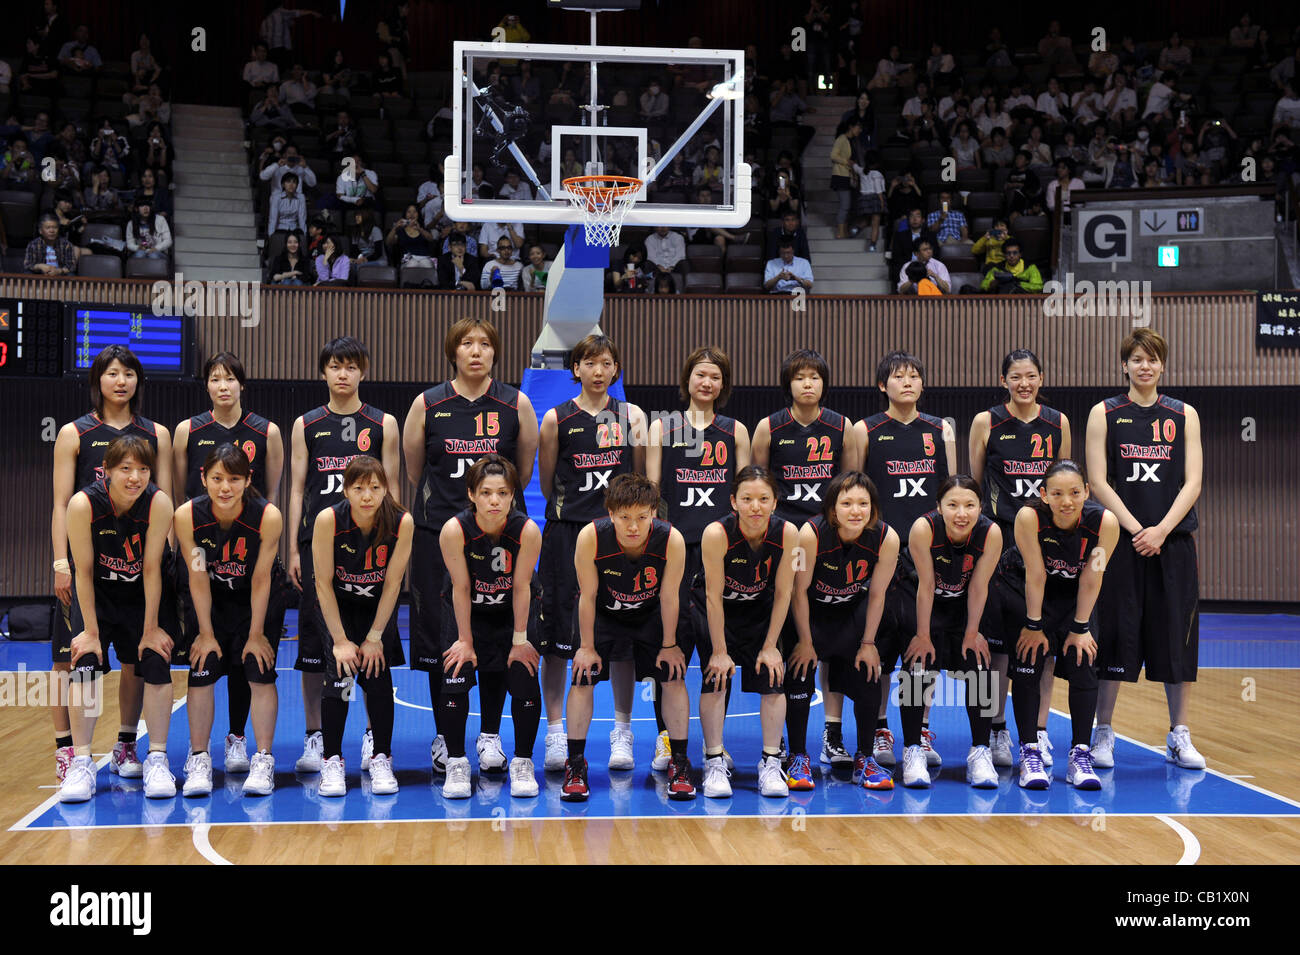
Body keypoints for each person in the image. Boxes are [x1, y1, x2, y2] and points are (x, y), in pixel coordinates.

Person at [402, 318, 538, 776]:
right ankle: (447, 738)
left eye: (484, 344)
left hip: (495, 535)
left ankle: (491, 736)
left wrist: (491, 510)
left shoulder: (516, 403)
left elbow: (518, 469)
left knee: (496, 637)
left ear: (495, 353)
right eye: (466, 344)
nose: (476, 351)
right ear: (453, 352)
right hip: (439, 533)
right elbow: (417, 471)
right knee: (446, 640)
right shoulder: (427, 404)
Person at [50, 347, 172, 785]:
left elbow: (166, 503)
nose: (120, 381)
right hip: (87, 562)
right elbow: (62, 503)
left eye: (129, 374)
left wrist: (167, 563)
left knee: (139, 659)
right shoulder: (74, 432)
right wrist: (60, 560)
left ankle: (126, 743)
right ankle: (70, 751)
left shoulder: (156, 433)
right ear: (97, 379)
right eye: (112, 373)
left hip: (140, 564)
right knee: (73, 656)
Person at [1086, 329, 1204, 771]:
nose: (1145, 366)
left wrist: (1161, 530)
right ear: (1125, 365)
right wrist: (1138, 530)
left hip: (1172, 544)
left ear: (1163, 366)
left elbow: (1192, 481)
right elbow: (1097, 481)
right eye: (1137, 359)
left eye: (1152, 359)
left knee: (1177, 636)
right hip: (1122, 542)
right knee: (1114, 632)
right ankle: (1103, 732)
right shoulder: (1105, 412)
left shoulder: (1184, 414)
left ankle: (1178, 734)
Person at [287, 338, 401, 777]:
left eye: (350, 367)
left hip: (371, 545)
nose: (342, 374)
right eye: (334, 366)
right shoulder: (306, 424)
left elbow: (389, 484)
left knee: (374, 653)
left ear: (362, 372)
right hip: (321, 544)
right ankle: (316, 736)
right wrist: (295, 547)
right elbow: (298, 487)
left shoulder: (383, 422)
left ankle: (374, 738)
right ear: (323, 372)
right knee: (317, 651)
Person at [170, 353, 286, 778]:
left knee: (255, 664)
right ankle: (199, 758)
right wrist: (203, 630)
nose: (225, 485)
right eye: (215, 378)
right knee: (202, 664)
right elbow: (198, 577)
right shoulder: (188, 515)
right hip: (210, 594)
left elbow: (260, 579)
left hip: (253, 593)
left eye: (231, 378)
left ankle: (259, 755)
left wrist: (256, 633)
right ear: (205, 478)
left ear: (246, 480)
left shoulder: (265, 514)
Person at [537, 336, 647, 774]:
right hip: (566, 534)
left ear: (615, 369)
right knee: (559, 639)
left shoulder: (632, 416)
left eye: (607, 362)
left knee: (621, 635)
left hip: (618, 537)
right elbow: (548, 483)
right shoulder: (555, 419)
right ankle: (556, 730)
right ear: (576, 369)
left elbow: (637, 477)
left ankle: (622, 730)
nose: (599, 370)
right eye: (589, 363)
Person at [982, 461, 1120, 790]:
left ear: (1087, 492)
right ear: (1043, 495)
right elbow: (1036, 574)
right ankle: (1029, 751)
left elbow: (1092, 576)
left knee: (1083, 659)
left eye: (1075, 492)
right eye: (1057, 493)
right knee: (1030, 657)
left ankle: (1079, 755)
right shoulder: (1029, 518)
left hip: (1076, 593)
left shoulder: (1105, 523)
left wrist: (1081, 628)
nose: (1067, 501)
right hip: (1025, 588)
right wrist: (1033, 624)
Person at [58, 436, 179, 802]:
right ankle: (81, 763)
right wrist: (90, 631)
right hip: (97, 594)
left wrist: (151, 627)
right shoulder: (83, 504)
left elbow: (153, 567)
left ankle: (154, 756)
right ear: (107, 471)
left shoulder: (158, 503)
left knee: (154, 660)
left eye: (143, 469)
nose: (135, 477)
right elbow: (82, 570)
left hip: (143, 593)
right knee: (86, 664)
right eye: (125, 469)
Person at [646, 348, 750, 771]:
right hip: (674, 551)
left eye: (715, 377)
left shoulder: (735, 431)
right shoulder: (662, 428)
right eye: (700, 375)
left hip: (719, 554)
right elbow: (651, 491)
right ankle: (667, 740)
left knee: (715, 652)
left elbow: (747, 495)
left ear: (722, 385)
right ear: (687, 379)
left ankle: (715, 743)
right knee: (669, 649)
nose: (707, 383)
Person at [562, 474, 694, 802]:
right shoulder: (591, 537)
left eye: (642, 517)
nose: (633, 526)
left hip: (651, 614)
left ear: (654, 513)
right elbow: (587, 595)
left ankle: (679, 762)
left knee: (674, 675)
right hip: (606, 613)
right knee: (581, 676)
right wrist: (587, 647)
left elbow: (669, 596)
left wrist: (669, 645)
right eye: (624, 517)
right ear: (610, 514)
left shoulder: (671, 540)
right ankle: (575, 764)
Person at [968, 349, 1070, 767]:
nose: (1024, 383)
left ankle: (1038, 731)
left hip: (1044, 540)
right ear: (1003, 380)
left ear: (1041, 378)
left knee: (1039, 642)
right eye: (1015, 376)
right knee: (994, 646)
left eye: (1030, 376)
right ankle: (994, 732)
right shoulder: (985, 421)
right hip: (1000, 537)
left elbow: (1064, 481)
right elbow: (973, 485)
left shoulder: (1057, 422)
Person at [856, 352, 955, 767]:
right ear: (883, 386)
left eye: (914, 376)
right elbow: (855, 490)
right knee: (878, 646)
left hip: (927, 555)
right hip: (881, 552)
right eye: (899, 377)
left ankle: (921, 725)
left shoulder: (940, 429)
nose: (908, 383)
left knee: (921, 648)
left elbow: (949, 494)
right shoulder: (866, 430)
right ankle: (880, 727)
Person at [786, 471, 900, 792]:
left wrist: (868, 642)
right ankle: (797, 755)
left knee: (868, 672)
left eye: (863, 503)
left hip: (850, 610)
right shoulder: (809, 535)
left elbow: (877, 594)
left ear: (873, 508)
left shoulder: (886, 538)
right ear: (832, 509)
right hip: (811, 613)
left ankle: (865, 757)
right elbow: (798, 593)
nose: (855, 510)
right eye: (847, 503)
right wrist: (806, 642)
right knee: (799, 671)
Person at [438, 455, 543, 798]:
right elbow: (462, 588)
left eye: (502, 492)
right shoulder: (455, 530)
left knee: (523, 674)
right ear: (471, 494)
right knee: (456, 672)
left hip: (511, 612)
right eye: (486, 492)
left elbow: (522, 586)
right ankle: (456, 762)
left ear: (513, 495)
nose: (494, 500)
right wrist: (465, 642)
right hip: (466, 609)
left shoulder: (526, 530)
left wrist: (520, 639)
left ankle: (522, 762)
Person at [890, 476, 1003, 788]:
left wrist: (972, 631)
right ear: (939, 507)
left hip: (963, 605)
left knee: (981, 666)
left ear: (981, 508)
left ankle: (980, 752)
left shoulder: (991, 533)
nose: (961, 513)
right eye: (952, 505)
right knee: (917, 667)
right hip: (921, 601)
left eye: (969, 505)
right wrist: (923, 636)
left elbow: (979, 586)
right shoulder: (923, 528)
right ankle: (913, 748)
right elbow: (926, 587)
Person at [313, 457, 413, 797]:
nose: (367, 495)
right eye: (359, 488)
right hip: (338, 608)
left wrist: (374, 637)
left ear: (385, 488)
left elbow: (393, 583)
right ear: (346, 490)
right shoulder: (329, 520)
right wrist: (340, 641)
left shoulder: (401, 522)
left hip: (376, 611)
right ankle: (332, 759)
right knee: (339, 677)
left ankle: (381, 755)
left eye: (375, 487)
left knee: (378, 677)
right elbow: (323, 584)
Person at [695, 466, 797, 797]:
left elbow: (784, 593)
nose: (756, 506)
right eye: (747, 499)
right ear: (734, 502)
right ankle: (713, 760)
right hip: (716, 610)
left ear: (775, 502)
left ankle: (770, 762)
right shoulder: (716, 534)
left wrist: (770, 645)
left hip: (759, 611)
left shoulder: (789, 533)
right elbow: (712, 596)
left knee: (772, 677)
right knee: (716, 677)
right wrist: (720, 651)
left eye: (763, 499)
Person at [830, 118, 862, 238]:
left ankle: (844, 230)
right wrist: (847, 162)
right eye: (858, 127)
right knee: (845, 205)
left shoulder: (852, 141)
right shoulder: (842, 139)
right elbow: (833, 155)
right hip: (841, 176)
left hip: (848, 176)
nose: (860, 130)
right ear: (851, 126)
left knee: (848, 205)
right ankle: (840, 232)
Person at [979, 239, 1043, 293]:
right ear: (1004, 255)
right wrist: (991, 285)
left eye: (1015, 253)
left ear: (1020, 254)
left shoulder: (1030, 268)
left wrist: (1018, 284)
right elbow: (983, 285)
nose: (1011, 256)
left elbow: (1039, 287)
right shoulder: (997, 269)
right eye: (1008, 253)